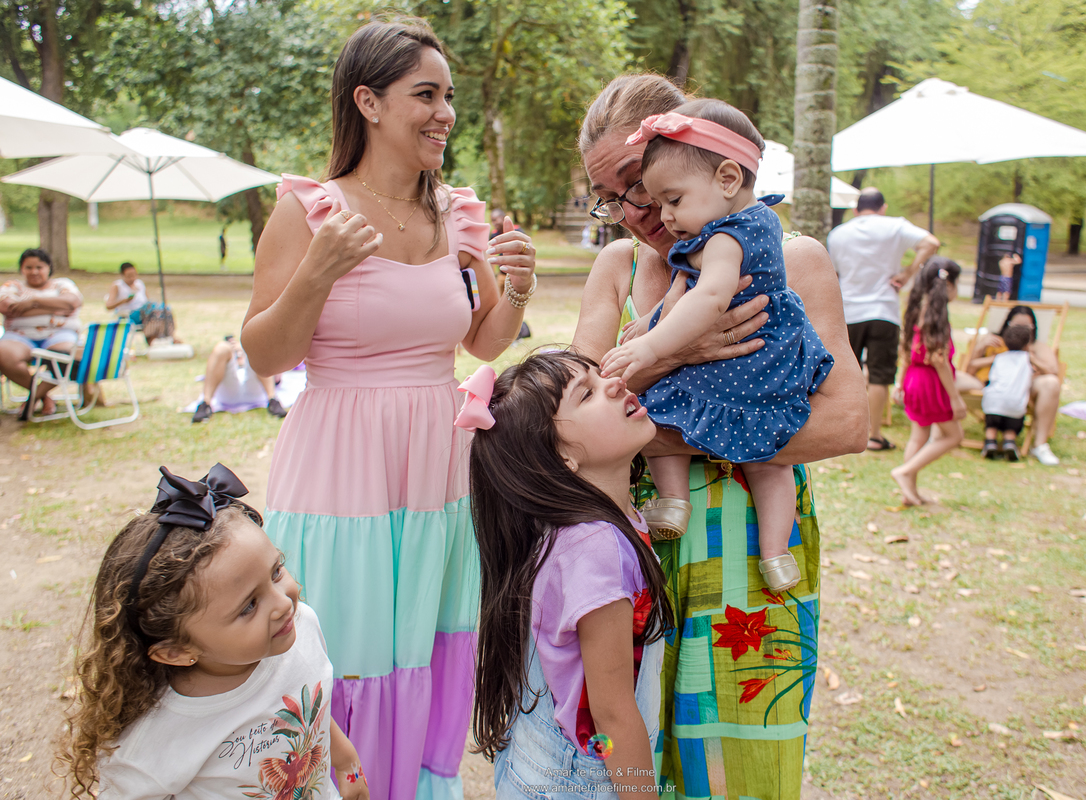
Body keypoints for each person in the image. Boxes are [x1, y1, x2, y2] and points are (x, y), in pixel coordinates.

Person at [239, 19, 536, 800]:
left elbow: (483, 342)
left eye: (449, 98)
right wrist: (319, 271)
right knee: (347, 648)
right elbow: (266, 357)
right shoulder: (310, 209)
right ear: (368, 102)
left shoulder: (458, 213)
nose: (445, 114)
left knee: (430, 644)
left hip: (439, 462)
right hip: (341, 461)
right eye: (426, 95)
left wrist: (520, 287)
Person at [573, 73, 868, 800]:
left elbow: (848, 423)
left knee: (737, 759)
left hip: (746, 548)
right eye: (610, 196)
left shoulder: (789, 258)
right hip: (629, 548)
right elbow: (567, 414)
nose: (631, 212)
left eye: (637, 187)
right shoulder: (615, 268)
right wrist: (673, 351)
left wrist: (668, 439)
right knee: (626, 743)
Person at [599, 99, 834, 593]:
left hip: (743, 375)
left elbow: (707, 297)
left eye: (659, 194)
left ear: (727, 179)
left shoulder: (729, 238)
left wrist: (653, 350)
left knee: (671, 411)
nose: (650, 214)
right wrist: (660, 331)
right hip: (762, 382)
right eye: (611, 198)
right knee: (772, 463)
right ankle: (775, 550)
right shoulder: (703, 240)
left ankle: (678, 502)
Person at [61, 464, 367, 800]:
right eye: (249, 605)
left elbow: (312, 710)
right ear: (175, 651)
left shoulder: (301, 627)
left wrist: (347, 761)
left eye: (276, 571)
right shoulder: (155, 742)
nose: (282, 603)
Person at [464, 353, 671, 800]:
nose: (614, 384)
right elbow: (611, 715)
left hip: (544, 763)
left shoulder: (576, 523)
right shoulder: (595, 549)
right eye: (589, 393)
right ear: (562, 458)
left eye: (600, 375)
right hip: (580, 782)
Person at [826, 188, 941, 451]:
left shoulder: (838, 233)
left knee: (845, 372)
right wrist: (908, 272)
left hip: (847, 311)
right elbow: (931, 243)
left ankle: (840, 431)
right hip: (883, 310)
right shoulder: (895, 227)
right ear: (883, 207)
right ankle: (873, 435)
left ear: (856, 210)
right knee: (879, 376)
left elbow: (832, 272)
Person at [890, 258, 966, 506]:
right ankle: (904, 472)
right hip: (931, 383)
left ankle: (908, 492)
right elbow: (939, 360)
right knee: (953, 435)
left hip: (913, 379)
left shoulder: (916, 309)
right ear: (950, 286)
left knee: (918, 436)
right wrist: (955, 398)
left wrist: (900, 383)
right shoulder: (935, 315)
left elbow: (906, 351)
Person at [956, 304, 1062, 465]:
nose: (1022, 330)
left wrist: (1030, 357)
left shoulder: (1035, 347)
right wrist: (980, 346)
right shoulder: (992, 341)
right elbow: (969, 369)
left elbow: (1052, 370)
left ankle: (1039, 445)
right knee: (950, 376)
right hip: (986, 386)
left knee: (1052, 383)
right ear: (1007, 323)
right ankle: (940, 432)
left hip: (1020, 390)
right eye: (1016, 326)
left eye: (1026, 326)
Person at [0, 248, 84, 419]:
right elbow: (8, 308)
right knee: (3, 354)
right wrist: (54, 309)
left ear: (49, 267)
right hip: (19, 336)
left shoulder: (62, 284)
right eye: (28, 267)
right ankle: (42, 395)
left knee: (71, 355)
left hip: (59, 334)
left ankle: (33, 398)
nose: (34, 272)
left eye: (39, 267)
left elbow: (72, 302)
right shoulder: (12, 286)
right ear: (22, 269)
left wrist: (33, 302)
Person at [192, 336, 288, 423]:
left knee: (256, 342)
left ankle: (273, 400)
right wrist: (233, 353)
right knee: (222, 347)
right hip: (228, 394)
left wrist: (243, 350)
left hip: (256, 390)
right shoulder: (228, 355)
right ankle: (205, 403)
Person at [981, 324, 1033, 461]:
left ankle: (990, 443)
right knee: (1011, 426)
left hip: (992, 400)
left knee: (991, 424)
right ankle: (1009, 442)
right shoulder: (1027, 358)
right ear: (1028, 344)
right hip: (1015, 403)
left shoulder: (999, 357)